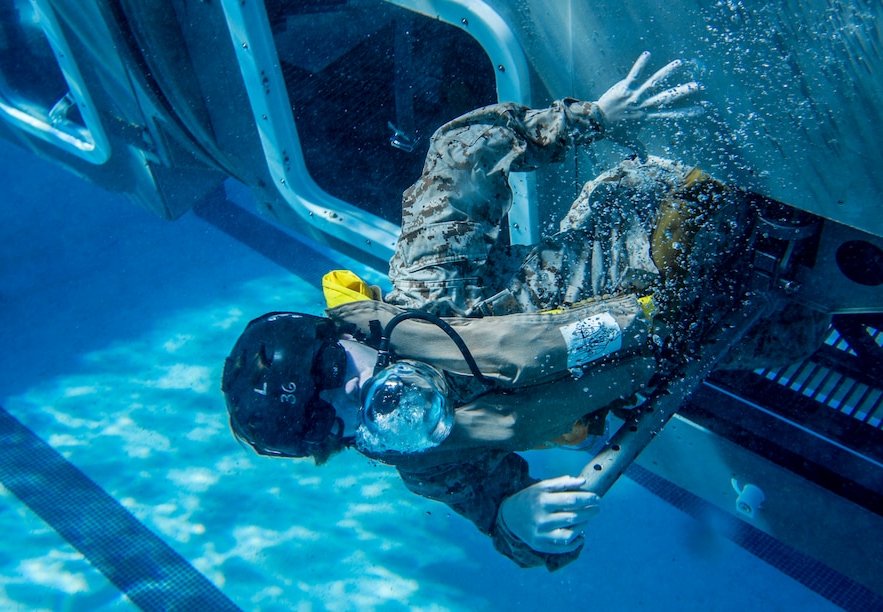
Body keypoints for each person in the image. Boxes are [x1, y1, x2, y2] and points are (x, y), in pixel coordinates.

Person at [221, 52, 828, 570]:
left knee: (755, 174)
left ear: (340, 334)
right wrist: (516, 520)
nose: (355, 395)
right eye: (331, 423)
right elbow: (515, 537)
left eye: (331, 372)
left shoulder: (430, 285)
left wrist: (588, 119)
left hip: (651, 219)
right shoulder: (429, 461)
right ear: (339, 442)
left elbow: (459, 154)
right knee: (804, 329)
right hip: (690, 342)